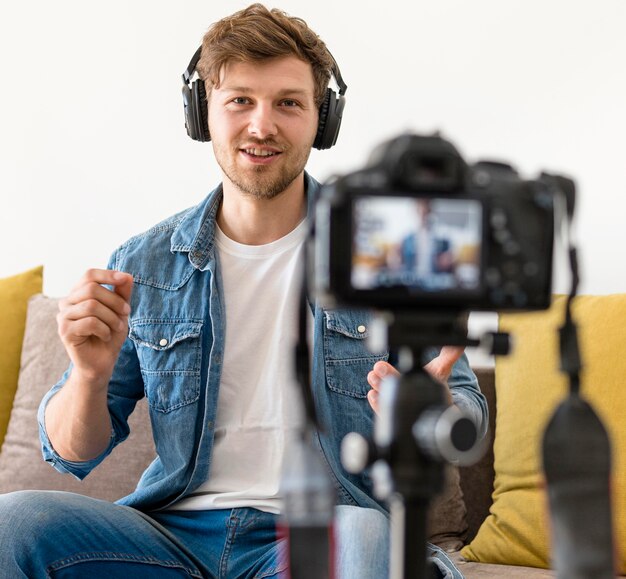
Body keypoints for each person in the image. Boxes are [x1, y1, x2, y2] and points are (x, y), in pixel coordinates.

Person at [0, 4, 487, 578]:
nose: (262, 126)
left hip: (324, 530)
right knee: (14, 522)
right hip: (172, 538)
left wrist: (432, 409)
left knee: (361, 533)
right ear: (202, 111)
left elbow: (468, 416)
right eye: (240, 101)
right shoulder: (145, 262)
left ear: (322, 119)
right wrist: (87, 374)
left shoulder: (391, 251)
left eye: (288, 102)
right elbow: (72, 453)